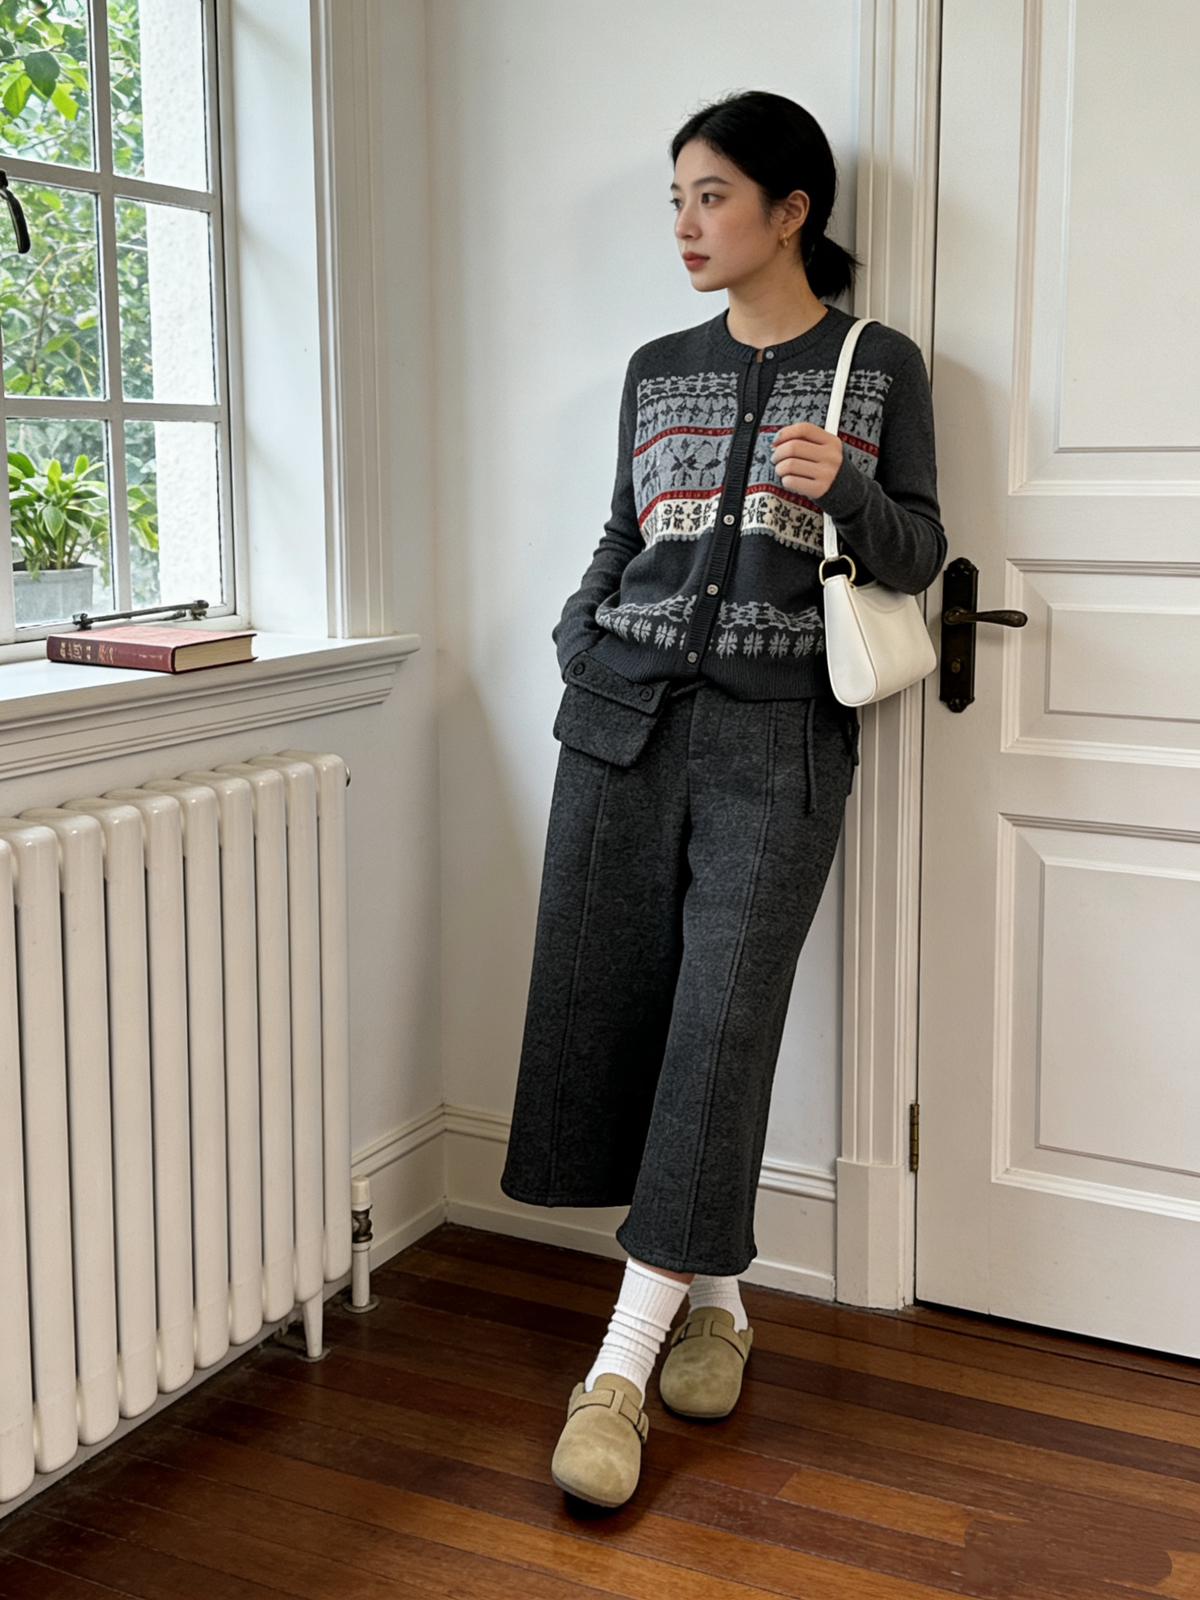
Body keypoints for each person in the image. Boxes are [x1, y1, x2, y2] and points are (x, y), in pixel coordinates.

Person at [499, 89, 947, 1508]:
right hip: (619, 728)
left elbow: (922, 556)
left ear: (790, 211)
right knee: (615, 1019)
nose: (687, 227)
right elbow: (622, 533)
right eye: (677, 201)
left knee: (721, 1031)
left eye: (713, 198)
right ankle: (720, 1308)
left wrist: (848, 497)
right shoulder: (657, 368)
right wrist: (578, 641)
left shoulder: (878, 367)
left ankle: (615, 1376)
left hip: (782, 742)